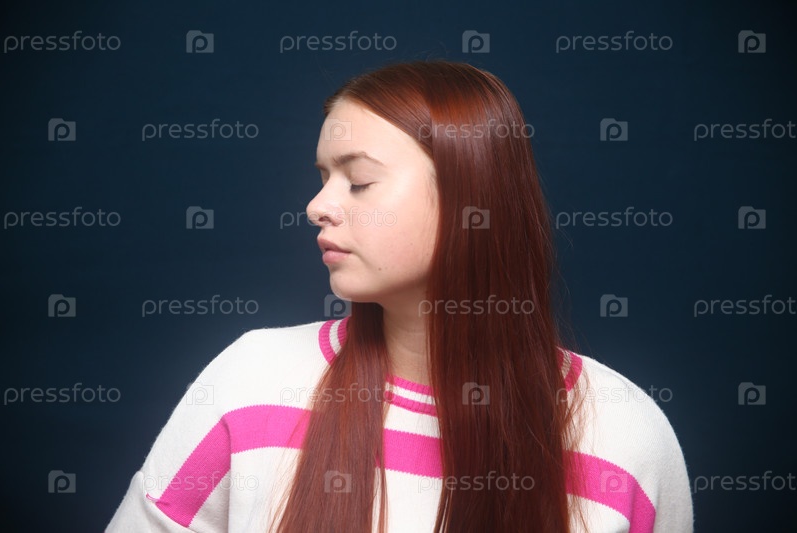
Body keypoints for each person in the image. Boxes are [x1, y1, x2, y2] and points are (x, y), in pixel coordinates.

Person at [107, 61, 693, 532]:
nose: (317, 207)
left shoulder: (624, 433)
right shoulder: (250, 379)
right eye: (323, 178)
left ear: (471, 198)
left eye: (359, 181)